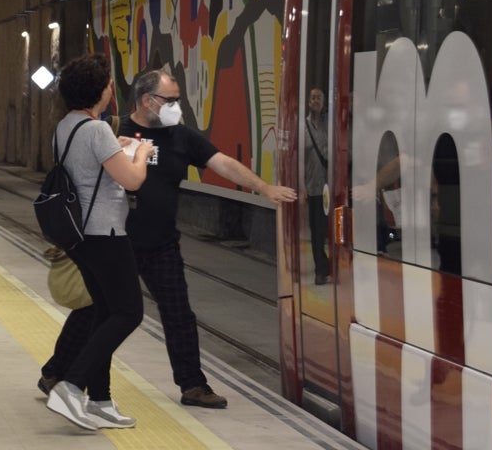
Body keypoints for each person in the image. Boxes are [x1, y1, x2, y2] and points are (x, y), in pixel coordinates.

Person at [117, 68, 295, 409]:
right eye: (170, 100)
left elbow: (223, 163)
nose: (176, 106)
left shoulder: (180, 136)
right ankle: (59, 372)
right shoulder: (114, 131)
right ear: (146, 100)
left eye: (177, 99)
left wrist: (263, 187)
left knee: (179, 314)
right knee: (105, 313)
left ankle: (193, 386)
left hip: (161, 244)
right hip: (117, 242)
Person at [42, 53, 153, 431]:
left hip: (80, 238)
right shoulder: (97, 130)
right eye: (108, 84)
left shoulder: (67, 126)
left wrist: (117, 146)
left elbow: (90, 168)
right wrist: (141, 152)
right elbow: (132, 180)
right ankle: (71, 385)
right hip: (106, 234)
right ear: (99, 91)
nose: (111, 89)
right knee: (128, 312)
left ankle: (100, 400)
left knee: (105, 313)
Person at [304, 87, 331, 284]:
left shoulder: (329, 123)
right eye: (312, 97)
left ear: (323, 102)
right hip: (313, 186)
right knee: (317, 231)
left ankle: (327, 266)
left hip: (331, 185)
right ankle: (320, 269)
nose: (315, 100)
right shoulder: (303, 126)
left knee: (328, 229)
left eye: (318, 98)